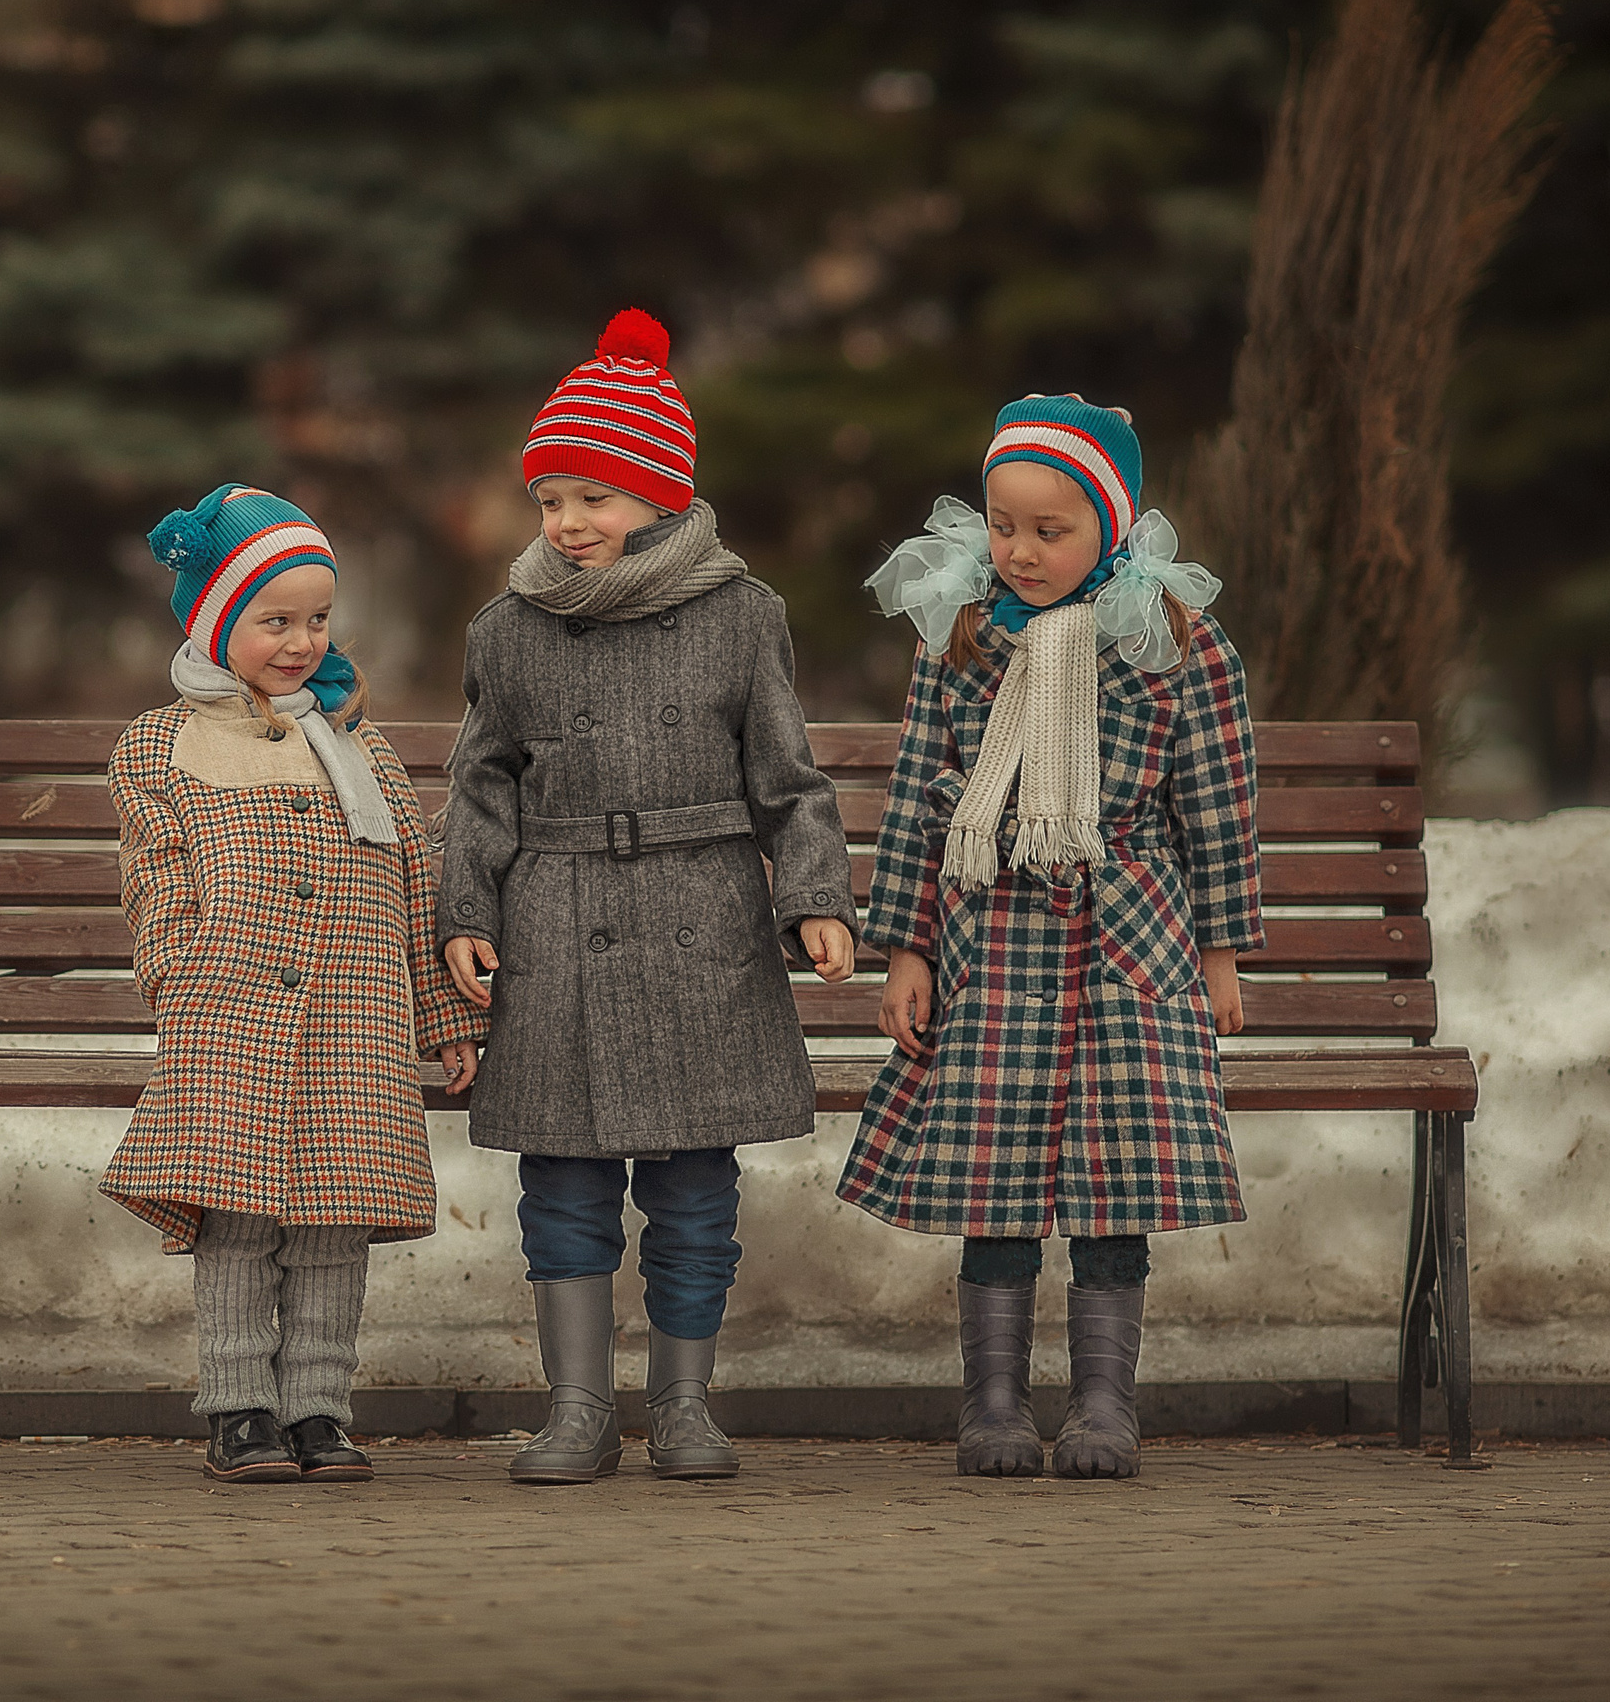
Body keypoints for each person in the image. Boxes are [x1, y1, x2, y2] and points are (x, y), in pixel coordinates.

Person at [437, 310, 858, 1485]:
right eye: (549, 501)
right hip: (557, 923)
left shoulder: (742, 617)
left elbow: (787, 777)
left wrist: (811, 894)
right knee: (561, 1182)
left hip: (701, 919)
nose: (566, 524)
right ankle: (577, 1409)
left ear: (661, 497)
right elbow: (477, 789)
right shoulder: (508, 630)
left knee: (691, 1187)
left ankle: (682, 1405)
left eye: (593, 498)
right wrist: (466, 913)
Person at [842, 393, 1264, 1480]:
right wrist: (908, 949)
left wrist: (1217, 953)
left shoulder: (1176, 641)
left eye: (1050, 530)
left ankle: (1103, 1404)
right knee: (995, 1179)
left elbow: (1214, 806)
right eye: (1002, 525)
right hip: (989, 945)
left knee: (1111, 1181)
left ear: (1110, 527)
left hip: (1128, 949)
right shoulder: (964, 632)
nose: (1019, 552)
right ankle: (989, 1403)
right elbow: (913, 801)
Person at [104, 483, 486, 1485]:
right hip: (226, 1013)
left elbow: (417, 886)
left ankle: (318, 1409)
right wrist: (176, 974)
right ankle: (237, 1411)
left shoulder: (357, 749)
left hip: (354, 1020)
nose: (301, 641)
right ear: (219, 619)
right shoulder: (161, 745)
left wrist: (442, 1015)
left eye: (317, 619)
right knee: (235, 1219)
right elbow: (156, 875)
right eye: (275, 620)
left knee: (329, 1222)